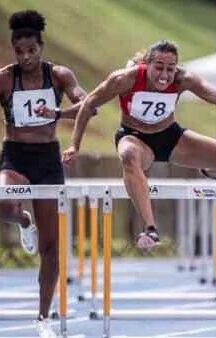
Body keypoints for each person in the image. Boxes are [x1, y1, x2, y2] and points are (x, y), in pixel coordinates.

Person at [63, 39, 216, 249]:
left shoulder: (184, 79)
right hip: (135, 138)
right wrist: (74, 144)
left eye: (170, 69)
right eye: (158, 68)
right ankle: (151, 228)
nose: (164, 76)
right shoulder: (124, 79)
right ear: (146, 65)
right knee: (128, 154)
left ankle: (210, 171)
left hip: (171, 138)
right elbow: (89, 103)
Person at [0, 10, 87, 337]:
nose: (25, 57)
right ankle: (23, 220)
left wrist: (59, 112)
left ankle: (42, 318)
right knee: (4, 206)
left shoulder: (60, 75)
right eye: (19, 52)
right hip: (15, 156)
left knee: (51, 247)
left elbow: (87, 103)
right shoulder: (6, 79)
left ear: (42, 47)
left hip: (48, 160)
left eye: (31, 51)